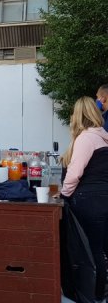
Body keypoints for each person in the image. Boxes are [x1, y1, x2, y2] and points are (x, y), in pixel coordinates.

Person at [61, 96, 108, 299]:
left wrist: (63, 194)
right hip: (104, 198)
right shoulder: (104, 136)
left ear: (78, 116)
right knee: (102, 247)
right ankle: (101, 292)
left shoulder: (85, 139)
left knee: (89, 250)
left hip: (88, 200)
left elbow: (74, 173)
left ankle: (94, 293)